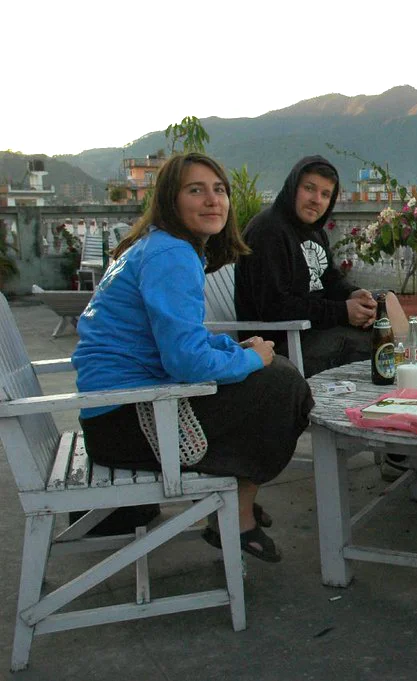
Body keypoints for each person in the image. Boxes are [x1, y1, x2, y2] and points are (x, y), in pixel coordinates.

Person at [72, 152, 313, 563]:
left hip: (110, 413)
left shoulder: (159, 247)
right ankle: (235, 516)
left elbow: (184, 339)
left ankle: (234, 505)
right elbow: (185, 363)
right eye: (195, 190)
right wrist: (253, 361)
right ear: (170, 199)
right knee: (281, 385)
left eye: (219, 190)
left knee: (271, 376)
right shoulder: (172, 255)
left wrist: (237, 351)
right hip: (125, 421)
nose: (212, 200)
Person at [234, 154, 408, 379]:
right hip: (284, 341)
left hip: (317, 327)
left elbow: (330, 279)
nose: (317, 200)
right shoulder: (268, 231)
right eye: (309, 189)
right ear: (293, 187)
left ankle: (415, 373)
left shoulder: (314, 231)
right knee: (380, 341)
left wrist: (353, 294)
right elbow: (275, 308)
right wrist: (344, 312)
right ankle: (404, 383)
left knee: (387, 301)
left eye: (325, 194)